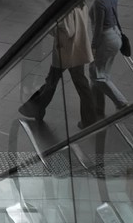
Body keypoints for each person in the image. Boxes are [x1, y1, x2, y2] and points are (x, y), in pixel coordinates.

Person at [17, 7, 102, 137]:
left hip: (65, 51)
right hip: (77, 49)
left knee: (52, 81)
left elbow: (67, 30)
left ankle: (36, 108)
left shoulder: (68, 9)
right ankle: (89, 119)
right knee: (80, 84)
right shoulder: (81, 4)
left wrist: (50, 26)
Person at [89, 0, 132, 108]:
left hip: (106, 39)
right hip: (116, 36)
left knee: (96, 74)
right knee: (103, 72)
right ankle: (95, 105)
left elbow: (99, 27)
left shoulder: (99, 2)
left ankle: (121, 103)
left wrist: (94, 47)